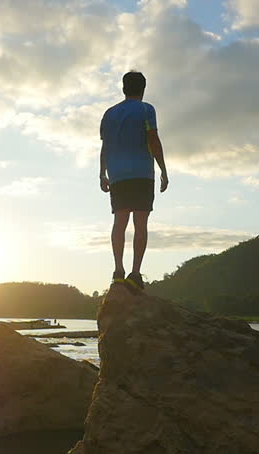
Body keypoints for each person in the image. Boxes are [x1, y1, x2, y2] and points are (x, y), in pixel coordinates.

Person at [99, 71, 168, 291]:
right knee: (140, 224)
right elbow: (153, 139)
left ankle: (118, 271)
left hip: (117, 174)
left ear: (123, 88)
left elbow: (105, 146)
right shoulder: (147, 109)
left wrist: (102, 173)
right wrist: (163, 170)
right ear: (143, 88)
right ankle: (135, 274)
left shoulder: (109, 114)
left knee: (119, 223)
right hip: (141, 172)